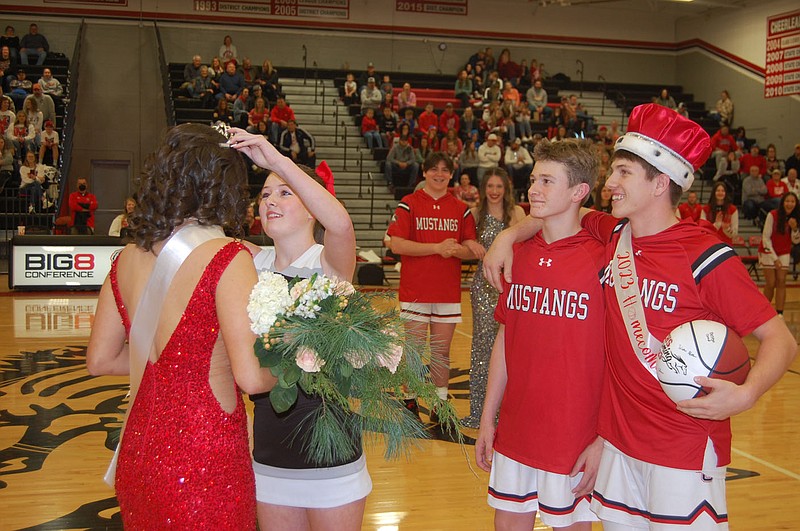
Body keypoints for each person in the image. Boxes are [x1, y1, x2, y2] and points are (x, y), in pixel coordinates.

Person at [481, 103, 797, 529]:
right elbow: (554, 213)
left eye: (623, 173)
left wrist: (747, 393)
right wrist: (507, 235)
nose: (609, 184)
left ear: (660, 183)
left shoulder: (704, 254)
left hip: (682, 446)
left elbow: (780, 339)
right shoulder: (612, 233)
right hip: (619, 449)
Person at [86, 123, 274, 529]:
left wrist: (172, 364)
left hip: (140, 447)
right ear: (223, 186)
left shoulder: (125, 260)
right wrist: (303, 356)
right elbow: (253, 378)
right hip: (204, 451)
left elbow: (100, 360)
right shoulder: (228, 257)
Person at [227, 127, 371, 531]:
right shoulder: (246, 265)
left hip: (331, 451)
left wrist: (275, 159)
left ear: (311, 206)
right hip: (270, 452)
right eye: (265, 195)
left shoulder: (328, 263)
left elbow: (340, 225)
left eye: (285, 192)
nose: (271, 200)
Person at [476, 139, 605, 530]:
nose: (533, 189)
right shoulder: (519, 253)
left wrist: (604, 440)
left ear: (579, 191)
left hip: (575, 436)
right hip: (516, 429)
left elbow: (621, 357)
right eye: (533, 179)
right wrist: (487, 418)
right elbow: (504, 341)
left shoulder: (606, 255)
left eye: (548, 181)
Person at [387, 152, 482, 422]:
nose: (439, 174)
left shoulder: (460, 208)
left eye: (445, 170)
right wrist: (437, 248)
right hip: (415, 290)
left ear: (451, 174)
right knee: (414, 351)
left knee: (441, 352)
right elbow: (397, 244)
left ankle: (440, 406)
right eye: (434, 169)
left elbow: (468, 249)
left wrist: (460, 250)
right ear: (425, 173)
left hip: (447, 292)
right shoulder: (409, 204)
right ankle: (409, 402)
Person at [460, 167, 524, 429]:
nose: (495, 191)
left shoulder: (517, 213)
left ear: (506, 188)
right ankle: (479, 412)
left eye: (499, 187)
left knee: (511, 347)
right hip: (484, 286)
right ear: (483, 189)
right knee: (482, 348)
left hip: (511, 285)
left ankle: (507, 413)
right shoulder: (476, 215)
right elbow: (465, 244)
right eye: (490, 187)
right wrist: (468, 245)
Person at [758, 192, 800, 317]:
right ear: (783, 202)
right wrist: (774, 258)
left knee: (781, 281)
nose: (790, 204)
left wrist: (795, 229)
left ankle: (779, 313)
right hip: (768, 250)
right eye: (787, 201)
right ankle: (763, 312)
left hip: (784, 251)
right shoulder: (772, 215)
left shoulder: (796, 217)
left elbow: (796, 240)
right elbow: (765, 237)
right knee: (771, 282)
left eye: (793, 201)